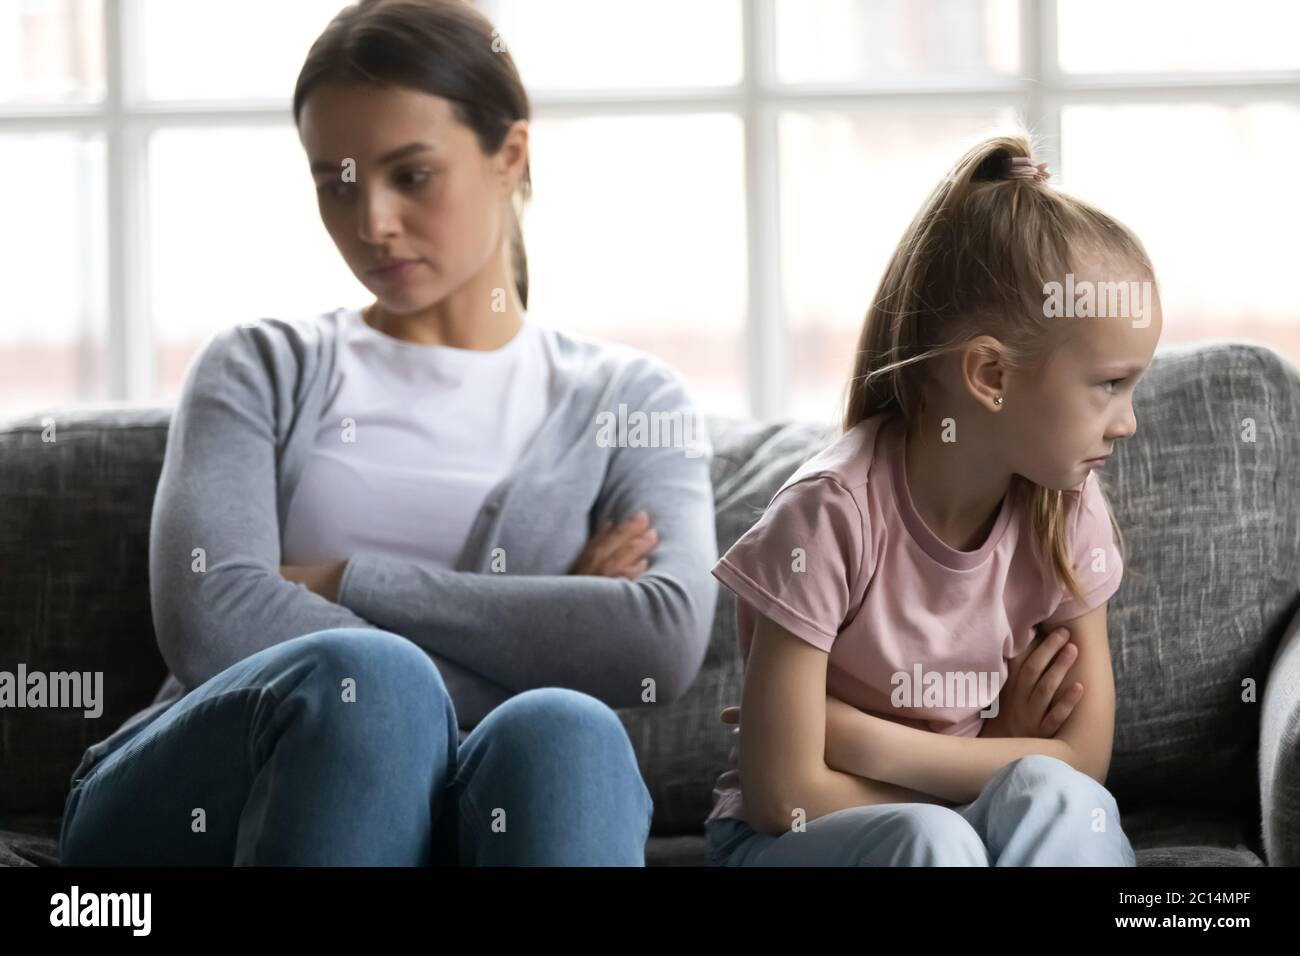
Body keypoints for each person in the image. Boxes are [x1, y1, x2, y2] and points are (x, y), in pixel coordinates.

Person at [58, 0, 717, 866]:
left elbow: (653, 640)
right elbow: (210, 617)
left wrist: (340, 580)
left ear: (508, 153)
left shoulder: (632, 398)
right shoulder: (259, 365)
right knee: (371, 685)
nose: (370, 221)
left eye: (410, 174)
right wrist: (546, 619)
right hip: (198, 789)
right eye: (335, 180)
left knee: (568, 728)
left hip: (479, 795)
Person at [705, 134, 1157, 866]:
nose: (1128, 420)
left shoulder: (1068, 509)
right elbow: (782, 794)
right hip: (783, 842)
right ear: (990, 375)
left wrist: (856, 737)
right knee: (933, 838)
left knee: (1057, 800)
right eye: (1109, 384)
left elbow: (1079, 762)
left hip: (951, 819)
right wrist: (997, 760)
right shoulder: (828, 516)